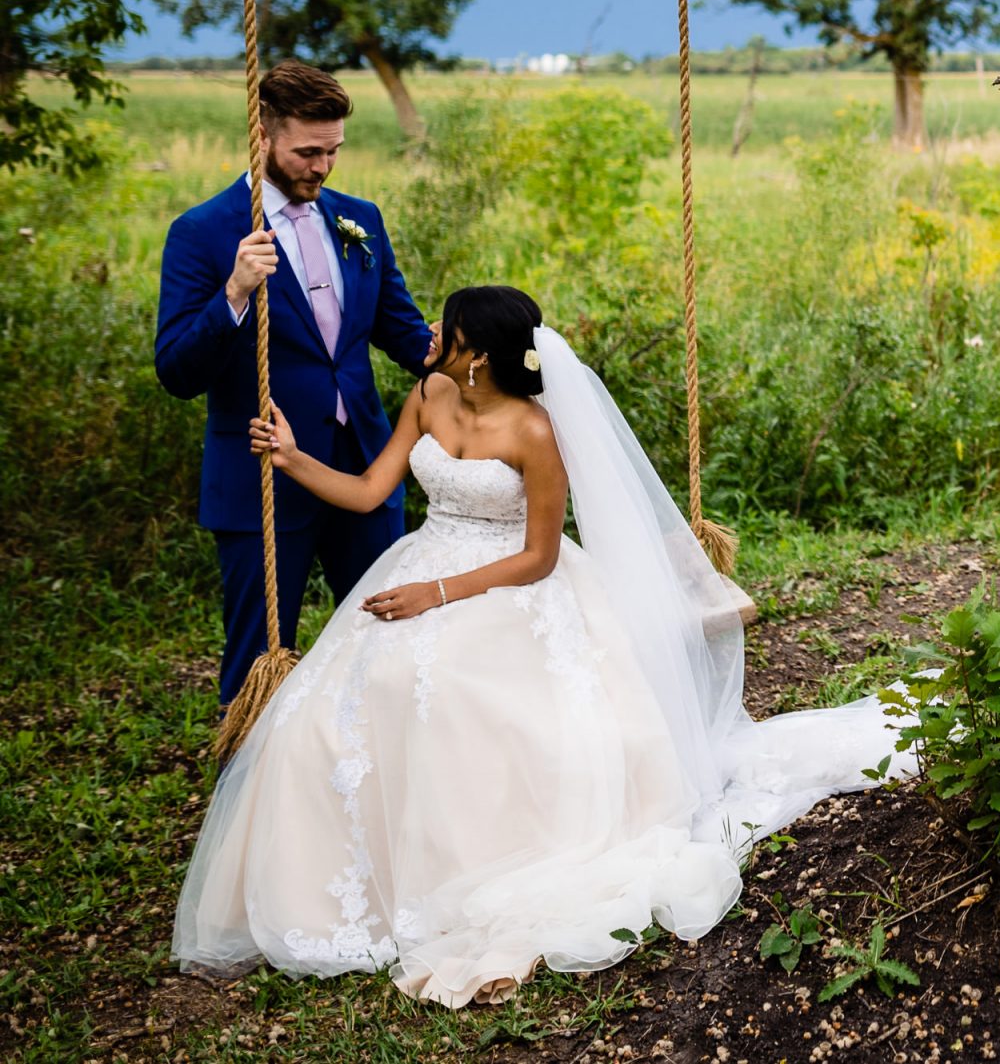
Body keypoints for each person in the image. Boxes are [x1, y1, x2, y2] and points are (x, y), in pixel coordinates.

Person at [172, 286, 924, 1006]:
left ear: (480, 357)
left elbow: (538, 555)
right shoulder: (429, 396)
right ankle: (332, 880)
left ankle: (457, 867)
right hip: (421, 559)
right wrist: (293, 456)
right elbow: (372, 491)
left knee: (461, 698)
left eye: (448, 332)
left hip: (508, 585)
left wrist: (438, 594)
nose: (430, 340)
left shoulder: (536, 430)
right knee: (332, 709)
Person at [154, 61, 438, 706]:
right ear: (262, 135)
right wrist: (233, 292)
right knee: (259, 653)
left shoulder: (358, 218)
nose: (322, 166)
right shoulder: (202, 233)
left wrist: (489, 371)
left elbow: (402, 332)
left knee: (387, 638)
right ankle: (245, 795)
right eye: (308, 151)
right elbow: (176, 371)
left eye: (333, 150)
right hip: (261, 475)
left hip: (364, 471)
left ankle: (373, 782)